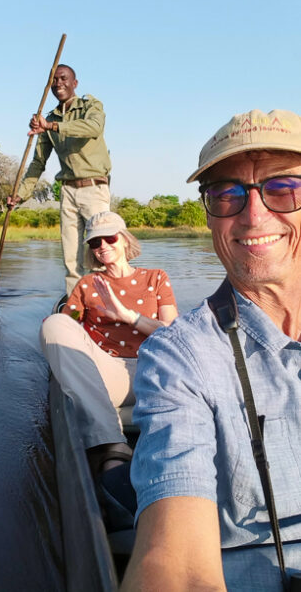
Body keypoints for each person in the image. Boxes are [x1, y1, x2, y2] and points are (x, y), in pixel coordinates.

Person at [121, 109, 301, 592]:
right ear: (208, 214)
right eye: (227, 194)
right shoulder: (181, 355)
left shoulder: (152, 278)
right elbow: (174, 564)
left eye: (285, 188)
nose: (255, 214)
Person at [40, 211, 178, 476]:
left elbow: (172, 334)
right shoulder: (88, 284)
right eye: (95, 242)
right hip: (107, 375)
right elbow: (70, 323)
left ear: (125, 239)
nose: (103, 246)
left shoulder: (156, 278)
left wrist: (128, 317)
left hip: (154, 372)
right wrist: (58, 324)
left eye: (109, 238)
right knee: (54, 325)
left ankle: (106, 417)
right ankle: (113, 444)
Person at [11, 64, 112, 294]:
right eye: (54, 80)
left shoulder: (90, 106)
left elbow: (94, 128)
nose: (59, 84)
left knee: (101, 252)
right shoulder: (47, 119)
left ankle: (106, 306)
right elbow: (38, 163)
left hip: (94, 188)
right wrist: (20, 195)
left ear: (74, 83)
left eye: (64, 78)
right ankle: (75, 308)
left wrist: (52, 126)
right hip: (67, 191)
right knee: (70, 258)